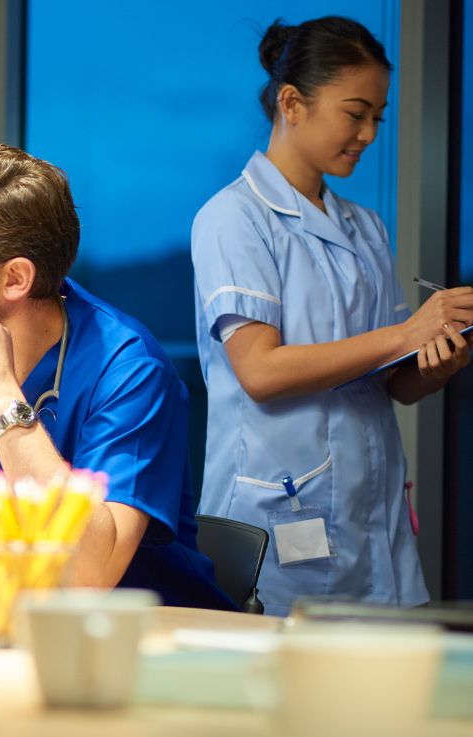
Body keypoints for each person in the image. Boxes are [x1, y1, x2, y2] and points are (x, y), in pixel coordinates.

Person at [0, 143, 232, 610]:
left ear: (14, 279)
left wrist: (3, 398)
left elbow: (86, 575)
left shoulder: (129, 372)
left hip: (128, 653)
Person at [191, 17, 472, 616]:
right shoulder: (234, 218)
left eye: (379, 116)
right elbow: (260, 371)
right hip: (282, 515)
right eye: (356, 112)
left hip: (371, 514)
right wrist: (407, 331)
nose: (369, 132)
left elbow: (393, 382)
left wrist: (436, 360)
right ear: (292, 102)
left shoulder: (365, 226)